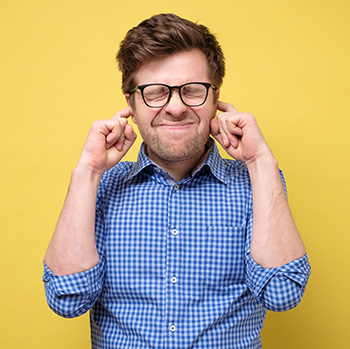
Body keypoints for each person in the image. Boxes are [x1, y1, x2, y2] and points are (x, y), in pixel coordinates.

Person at [43, 13, 310, 348]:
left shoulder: (257, 182)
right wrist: (87, 172)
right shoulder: (100, 186)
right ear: (131, 104)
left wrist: (261, 162)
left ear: (215, 100)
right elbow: (67, 300)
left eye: (192, 90)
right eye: (155, 92)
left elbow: (283, 292)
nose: (175, 107)